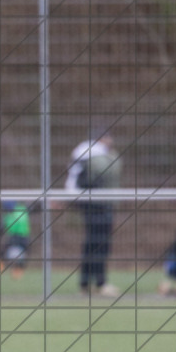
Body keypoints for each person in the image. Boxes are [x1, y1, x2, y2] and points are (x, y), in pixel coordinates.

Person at [65, 126, 122, 297]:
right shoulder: (97, 157)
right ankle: (98, 283)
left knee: (93, 243)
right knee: (98, 244)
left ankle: (88, 283)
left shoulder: (87, 153)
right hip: (97, 205)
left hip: (94, 203)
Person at [0, 200, 31, 280]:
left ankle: (17, 270)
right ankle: (4, 267)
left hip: (21, 236)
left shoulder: (17, 212)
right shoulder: (18, 210)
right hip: (18, 236)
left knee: (18, 252)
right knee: (6, 250)